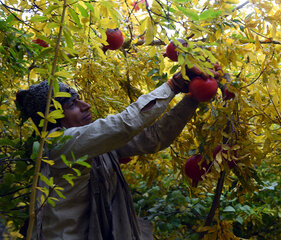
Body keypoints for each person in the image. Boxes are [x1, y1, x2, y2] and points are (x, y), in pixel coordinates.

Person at [16, 65, 222, 240]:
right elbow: (125, 125)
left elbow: (155, 138)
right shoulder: (58, 144)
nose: (85, 105)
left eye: (79, 99)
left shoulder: (93, 144)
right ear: (53, 118)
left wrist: (193, 96)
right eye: (72, 104)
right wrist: (173, 85)